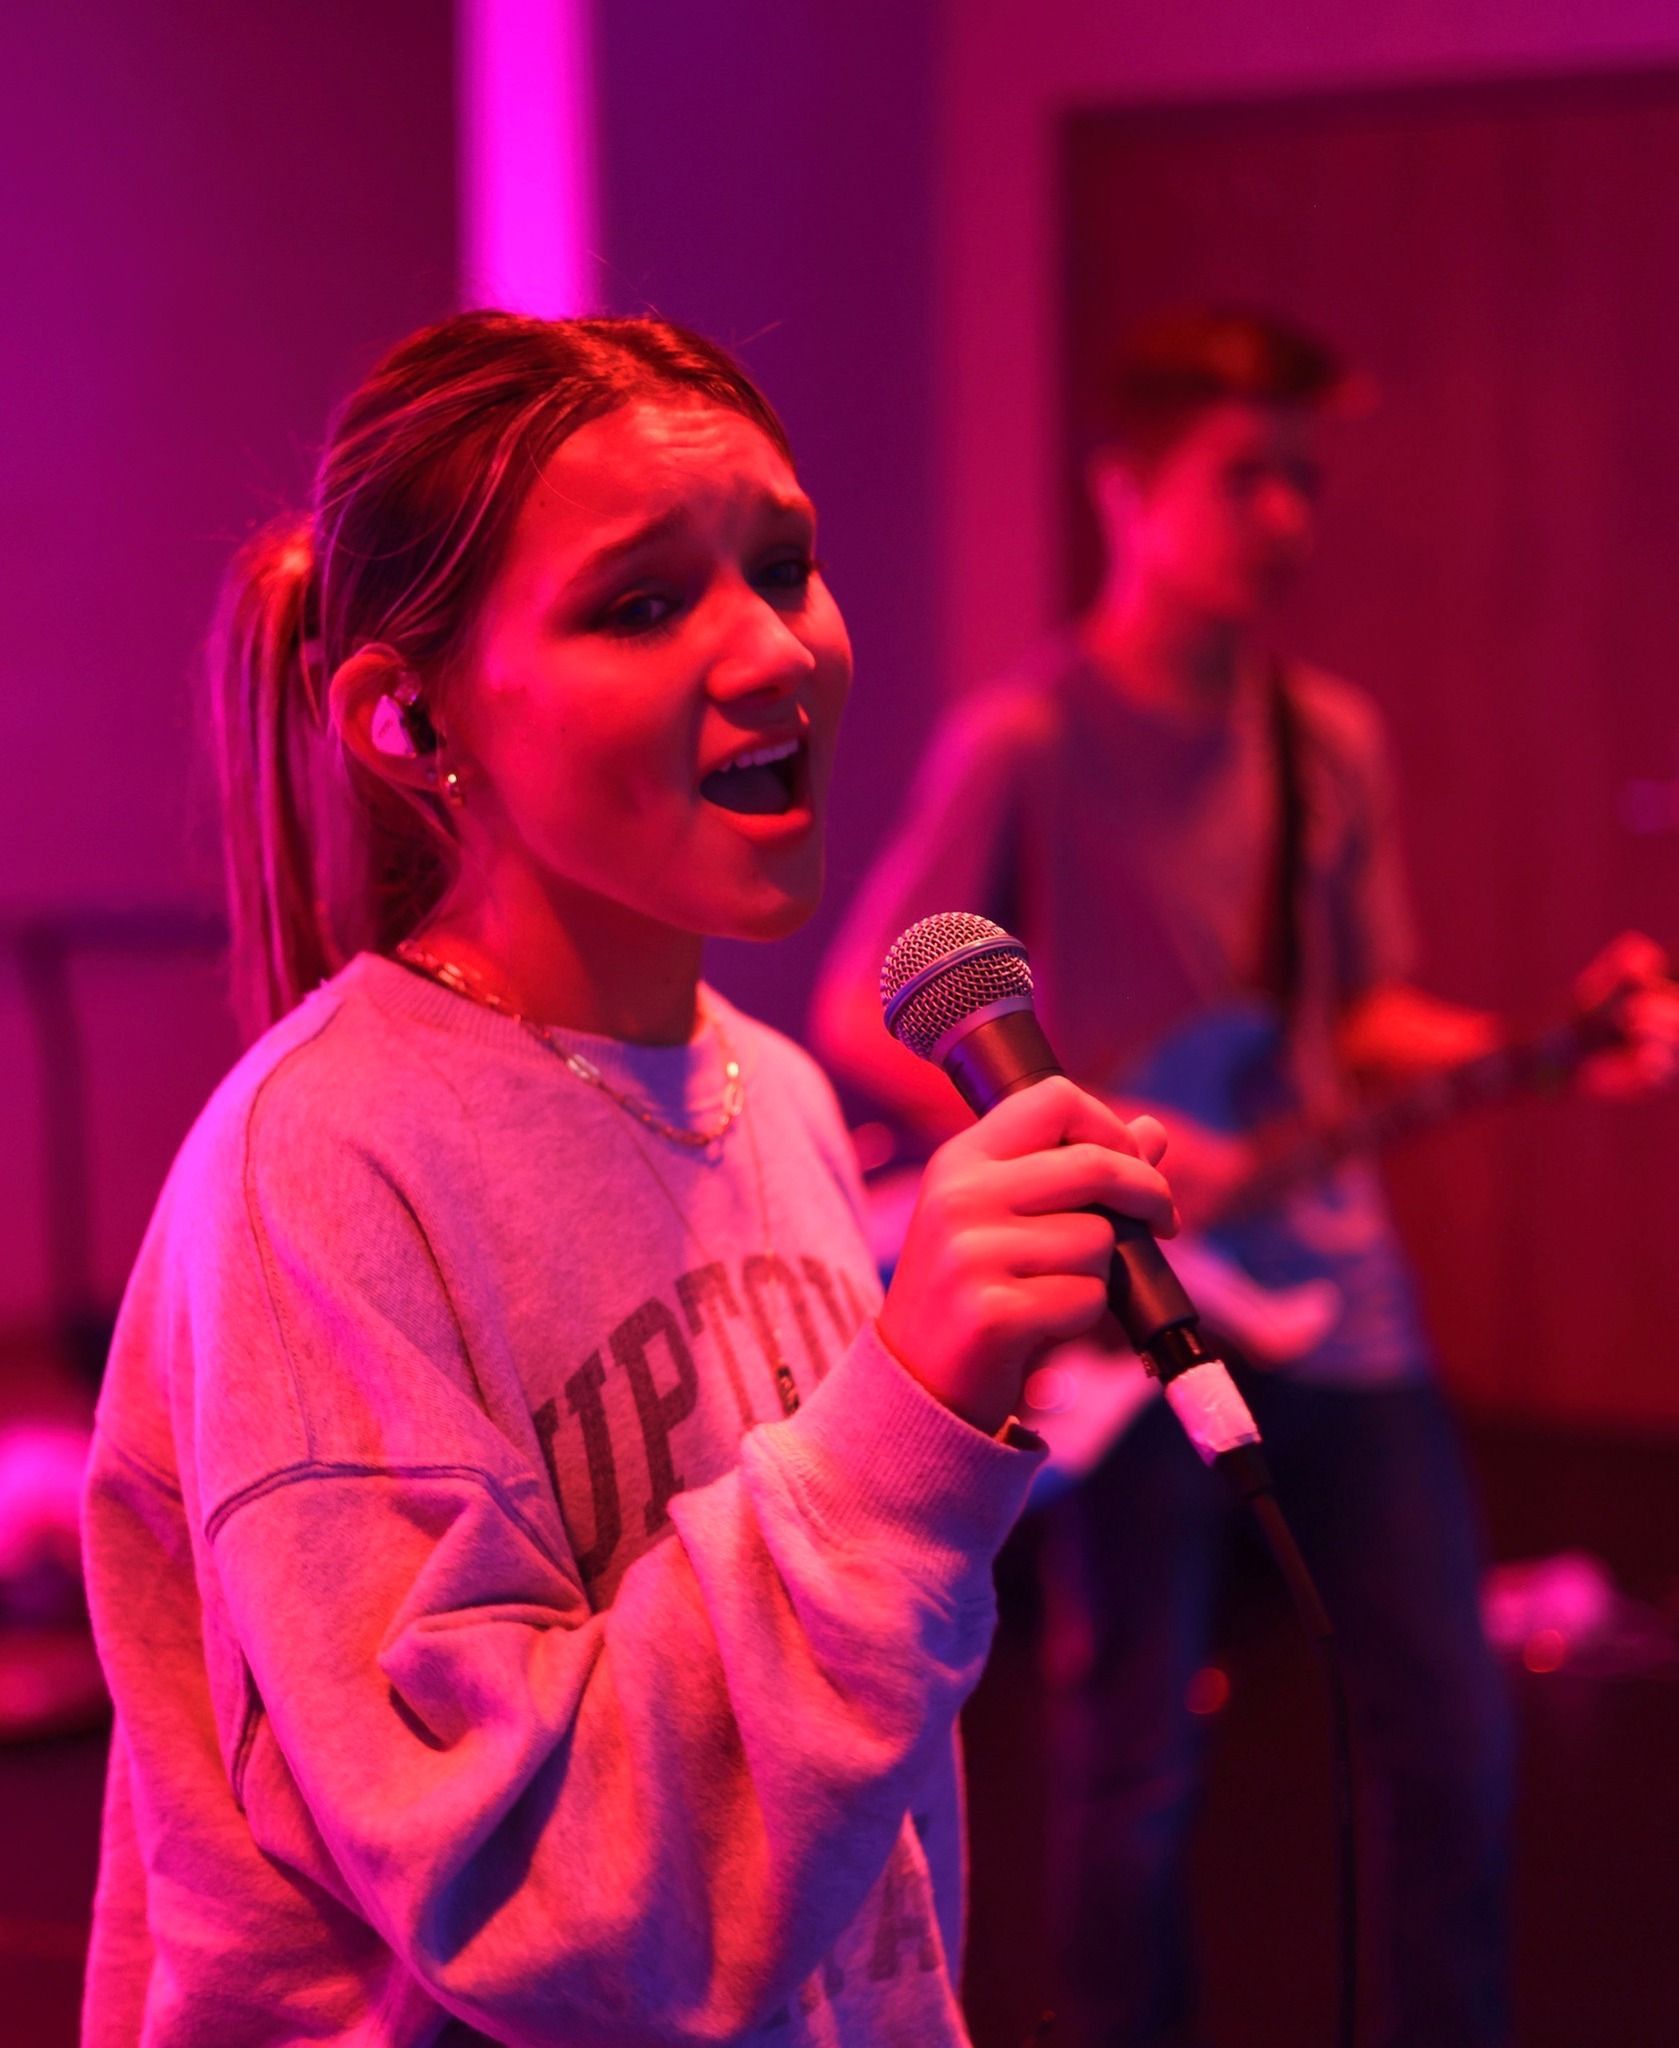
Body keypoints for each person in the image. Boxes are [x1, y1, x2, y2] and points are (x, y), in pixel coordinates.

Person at [78, 311, 1184, 2046]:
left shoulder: (788, 1095)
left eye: (785, 566)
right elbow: (543, 1907)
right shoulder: (322, 1167)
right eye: (644, 603)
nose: (776, 653)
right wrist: (911, 1412)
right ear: (409, 721)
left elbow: (829, 1810)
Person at [811, 307, 1677, 2046]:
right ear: (1126, 492)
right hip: (1135, 1310)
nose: (1284, 516)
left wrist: (1555, 1039)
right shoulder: (1027, 742)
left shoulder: (1325, 739)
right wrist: (1074, 1126)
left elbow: (1357, 1019)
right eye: (1243, 476)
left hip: (1335, 1295)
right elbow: (857, 1002)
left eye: (1305, 480)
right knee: (1132, 1761)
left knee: (1446, 1732)